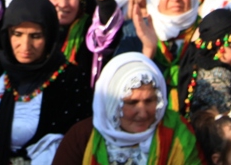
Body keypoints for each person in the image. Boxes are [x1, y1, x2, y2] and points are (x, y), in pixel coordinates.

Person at [0, 0, 93, 164]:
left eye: (35, 36)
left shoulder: (70, 79)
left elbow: (75, 143)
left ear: (50, 36)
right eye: (17, 34)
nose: (25, 46)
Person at [52, 52, 205, 165]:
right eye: (132, 103)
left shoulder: (177, 131)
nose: (143, 113)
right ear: (111, 104)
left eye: (149, 101)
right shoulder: (82, 137)